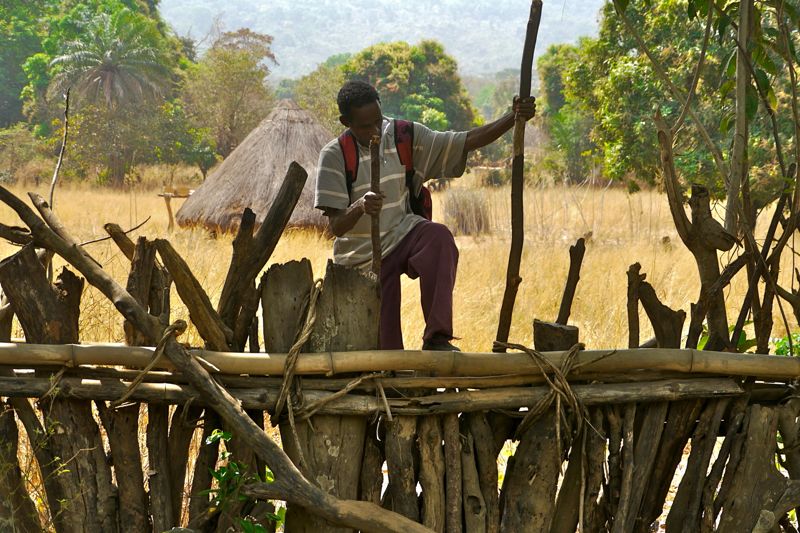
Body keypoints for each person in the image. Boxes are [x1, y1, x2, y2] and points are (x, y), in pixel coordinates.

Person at [314, 80, 535, 351]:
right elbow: (337, 226)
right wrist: (360, 206)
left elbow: (463, 141)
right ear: (345, 122)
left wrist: (512, 118)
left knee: (438, 237)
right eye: (364, 126)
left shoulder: (404, 136)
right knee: (385, 349)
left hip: (403, 233)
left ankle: (437, 339)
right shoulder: (334, 156)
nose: (374, 131)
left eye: (378, 120)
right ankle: (392, 378)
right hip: (362, 257)